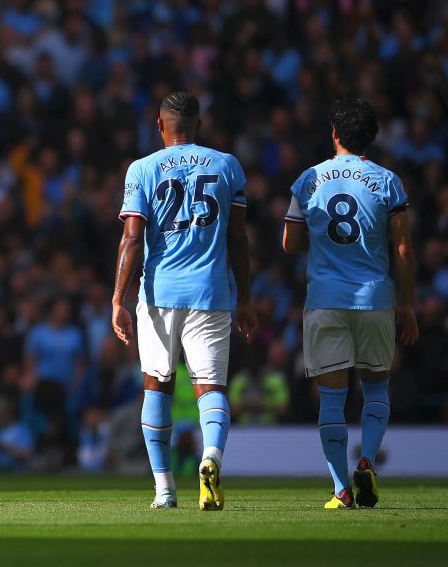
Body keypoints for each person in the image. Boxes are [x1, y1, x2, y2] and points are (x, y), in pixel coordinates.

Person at [111, 91, 257, 511]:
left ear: (160, 125)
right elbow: (238, 239)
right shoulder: (226, 165)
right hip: (210, 292)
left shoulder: (142, 168)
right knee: (210, 388)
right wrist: (246, 298)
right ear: (199, 125)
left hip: (159, 294)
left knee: (157, 385)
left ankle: (164, 489)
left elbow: (132, 238)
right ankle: (211, 458)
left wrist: (118, 298)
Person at [282, 97, 418, 510]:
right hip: (374, 298)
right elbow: (403, 248)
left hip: (326, 299)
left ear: (335, 133)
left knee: (332, 398)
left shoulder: (308, 180)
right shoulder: (388, 181)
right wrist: (408, 305)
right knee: (376, 387)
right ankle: (367, 461)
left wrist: (321, 241)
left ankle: (341, 489)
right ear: (371, 137)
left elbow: (289, 242)